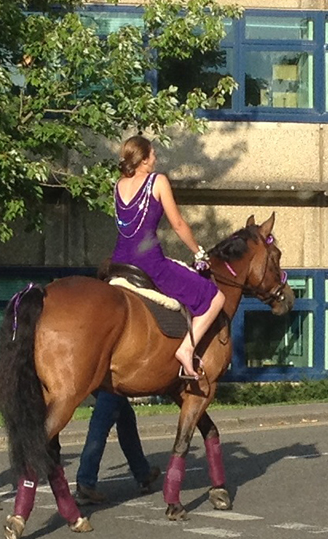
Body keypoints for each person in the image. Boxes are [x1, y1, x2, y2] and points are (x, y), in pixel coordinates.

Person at [111, 135, 226, 380]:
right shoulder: (158, 181)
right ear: (142, 158)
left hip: (119, 261)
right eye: (152, 154)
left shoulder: (118, 185)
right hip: (150, 263)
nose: (155, 158)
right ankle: (186, 349)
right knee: (215, 297)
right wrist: (199, 252)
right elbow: (178, 224)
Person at [75, 391, 161, 505]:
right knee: (102, 420)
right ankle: (86, 482)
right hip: (111, 379)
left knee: (125, 417)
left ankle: (143, 473)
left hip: (105, 380)